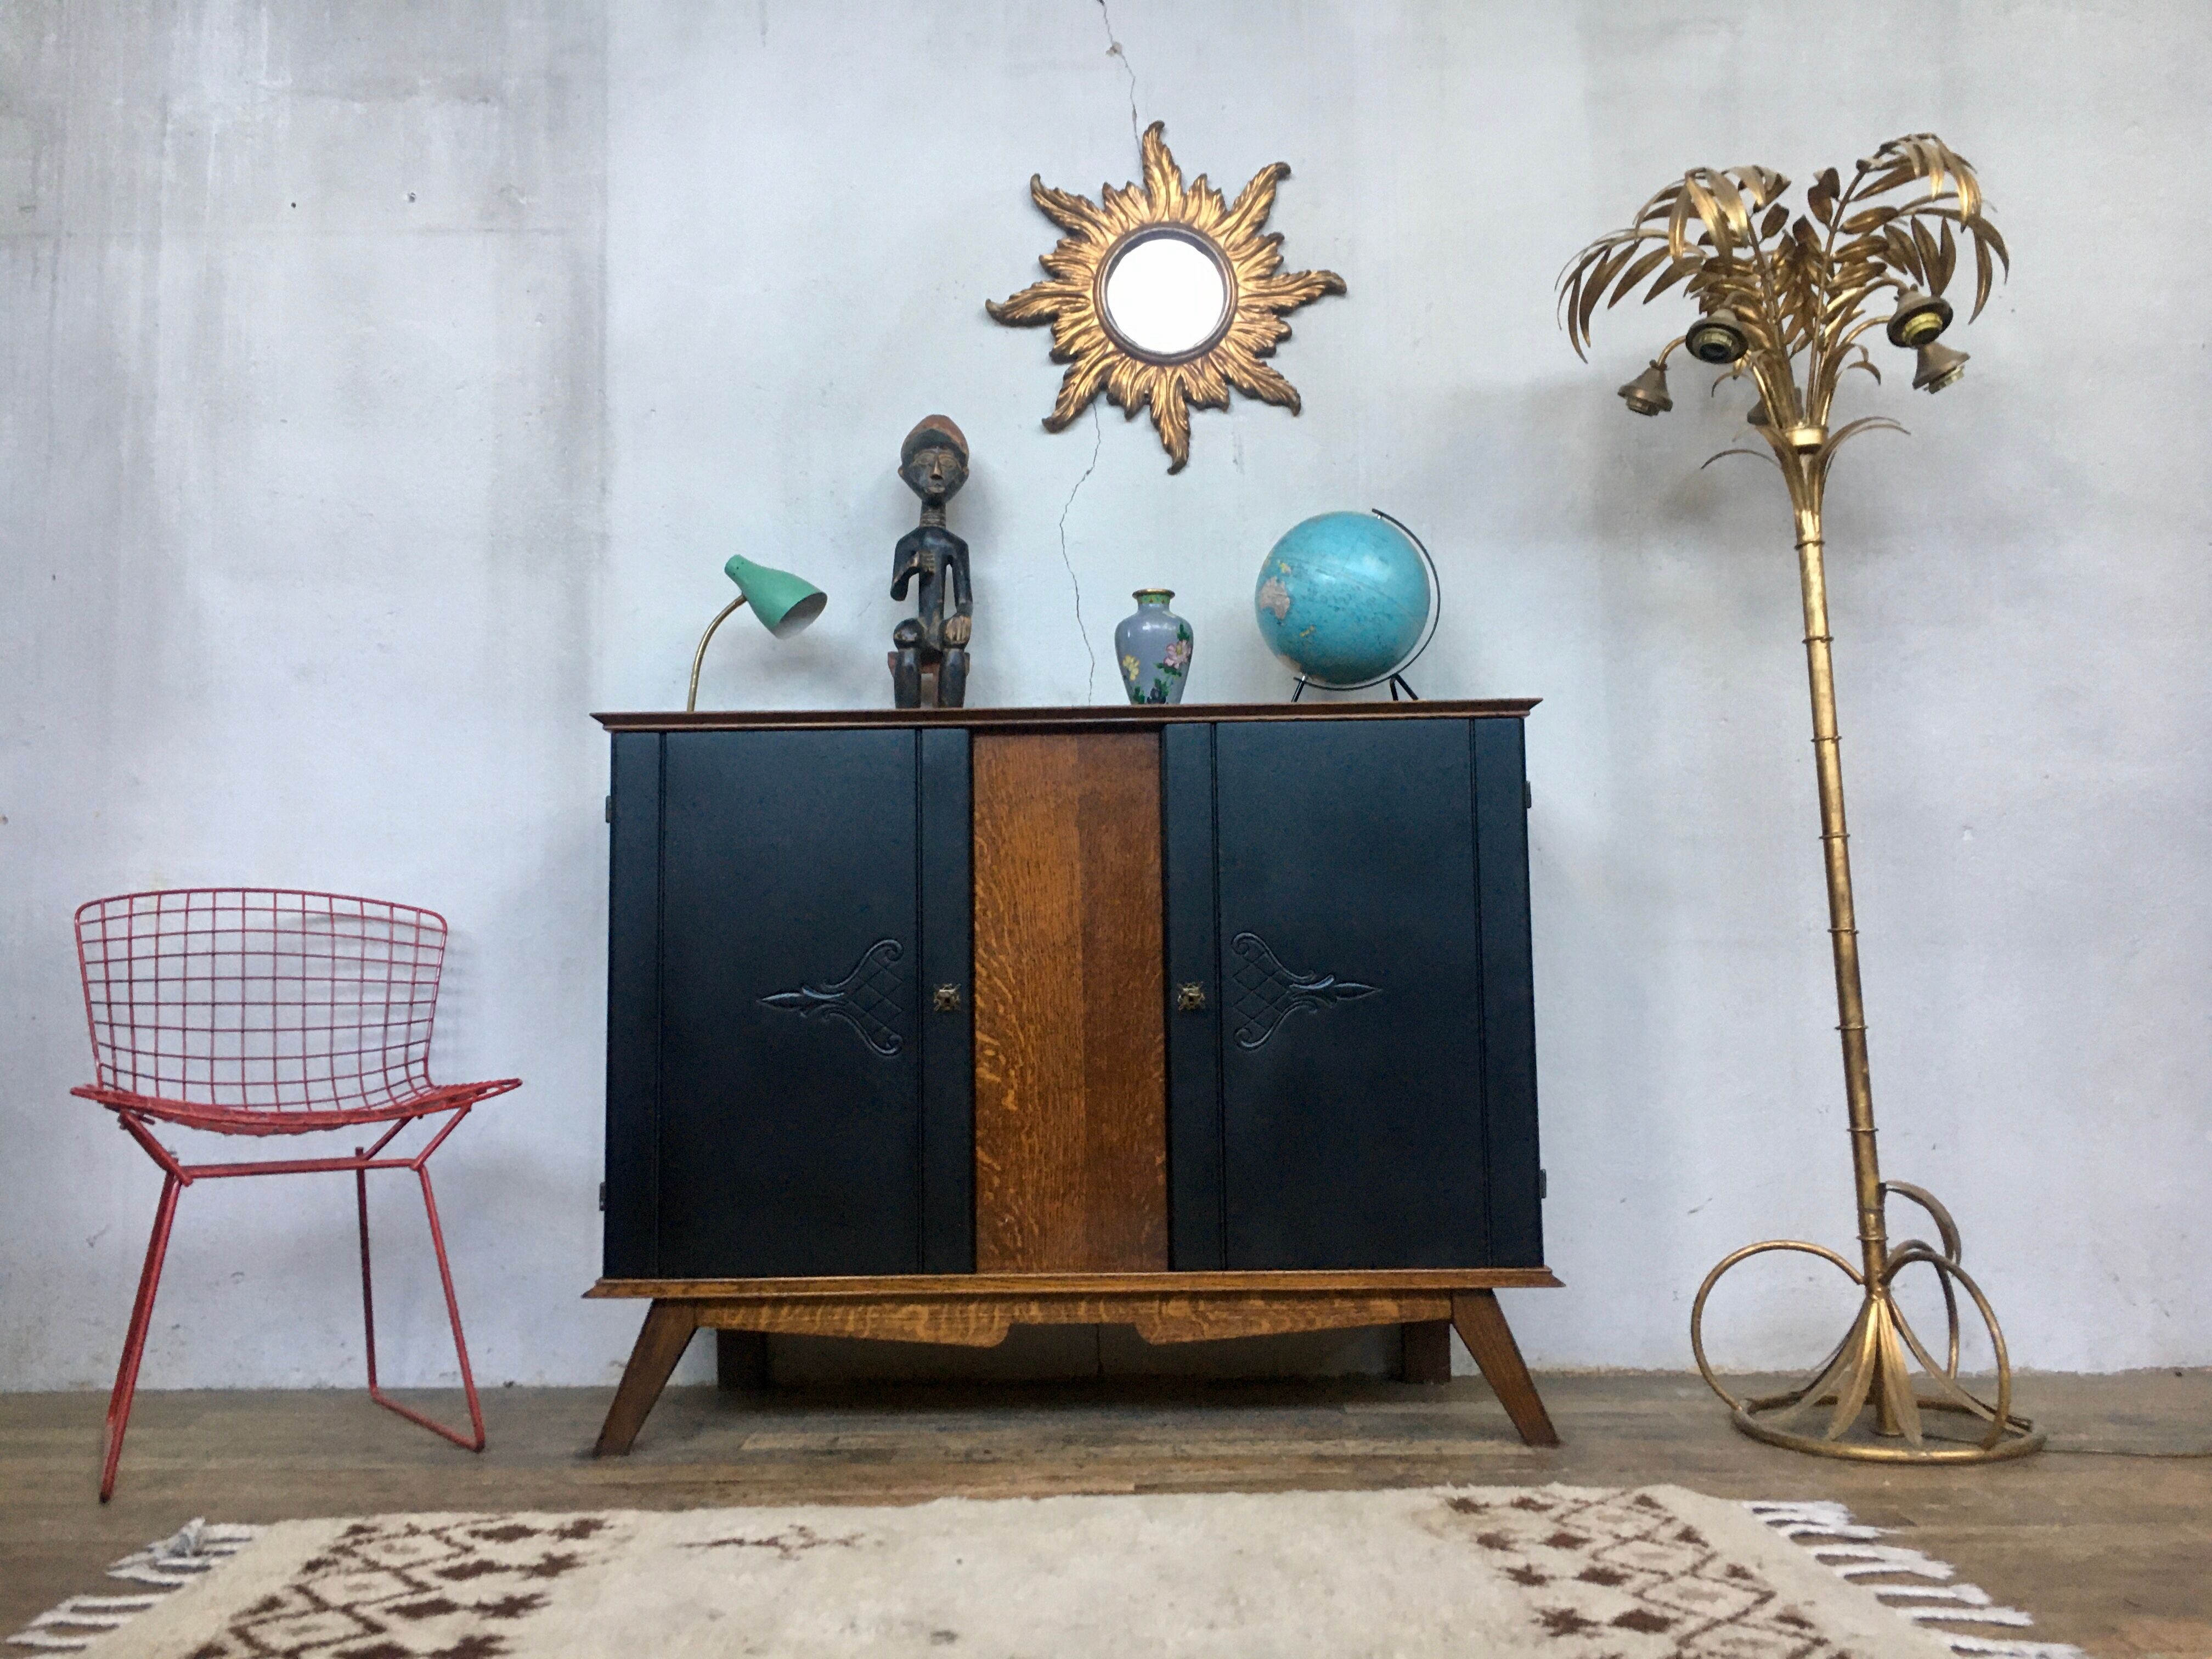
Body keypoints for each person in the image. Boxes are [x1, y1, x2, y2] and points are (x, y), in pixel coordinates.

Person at [889, 416, 973, 708]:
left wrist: (963, 618)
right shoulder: (907, 543)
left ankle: (951, 721)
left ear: (962, 477)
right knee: (906, 637)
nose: (936, 473)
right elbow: (897, 592)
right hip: (922, 626)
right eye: (926, 463)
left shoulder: (956, 546)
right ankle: (906, 723)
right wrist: (910, 567)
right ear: (906, 474)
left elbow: (965, 599)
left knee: (954, 650)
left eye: (947, 465)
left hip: (944, 627)